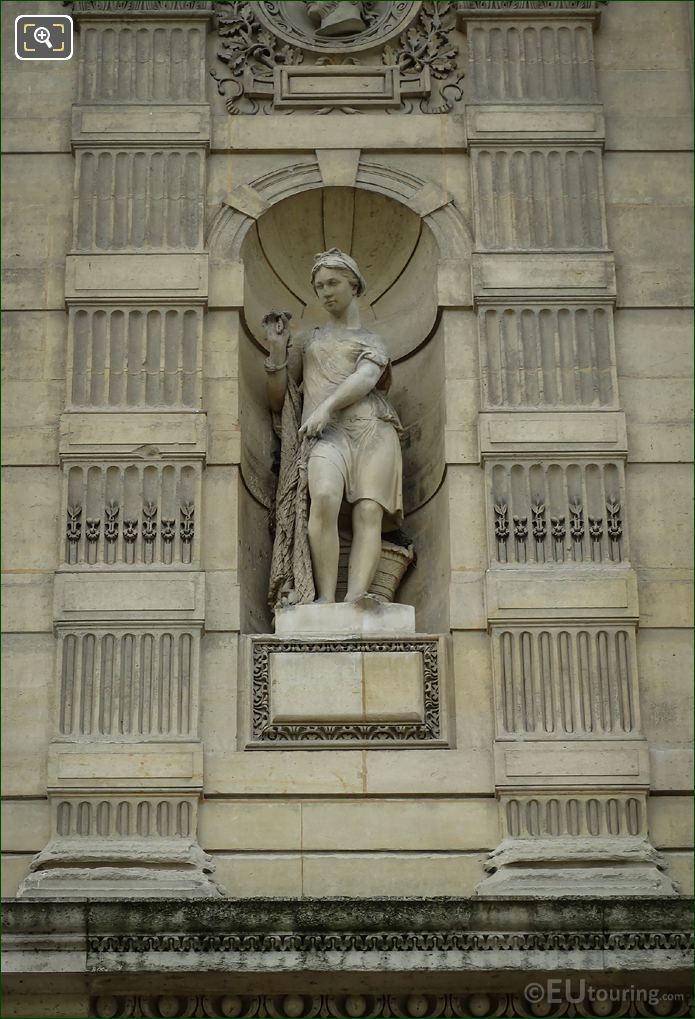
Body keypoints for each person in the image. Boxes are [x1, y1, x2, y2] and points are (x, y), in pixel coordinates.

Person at [264, 248, 403, 606]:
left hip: (373, 430)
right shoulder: (309, 340)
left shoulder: (373, 342)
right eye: (319, 285)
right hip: (325, 436)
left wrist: (326, 406)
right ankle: (325, 598)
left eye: (333, 282)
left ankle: (357, 596)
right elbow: (280, 402)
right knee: (323, 497)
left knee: (369, 511)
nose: (325, 291)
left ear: (354, 285)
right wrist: (277, 352)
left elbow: (367, 377)